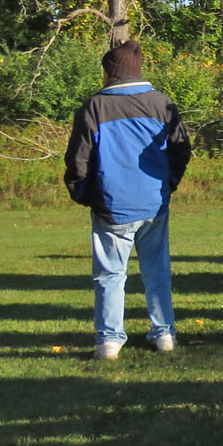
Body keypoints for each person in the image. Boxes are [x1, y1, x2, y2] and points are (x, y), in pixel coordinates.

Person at [64, 40, 192, 360]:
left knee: (109, 275)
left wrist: (84, 194)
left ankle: (109, 341)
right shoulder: (162, 103)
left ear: (110, 72)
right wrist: (168, 185)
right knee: (156, 270)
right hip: (153, 201)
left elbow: (78, 161)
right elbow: (181, 151)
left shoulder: (95, 106)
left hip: (111, 203)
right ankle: (164, 334)